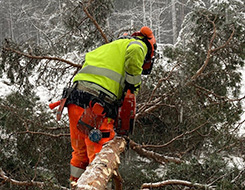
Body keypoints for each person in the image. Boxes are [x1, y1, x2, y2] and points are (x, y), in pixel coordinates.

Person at [66, 26, 157, 184]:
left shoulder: (109, 48)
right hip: (97, 107)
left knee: (80, 155)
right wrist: (132, 87)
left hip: (75, 100)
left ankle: (75, 184)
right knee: (101, 161)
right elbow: (135, 51)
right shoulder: (138, 44)